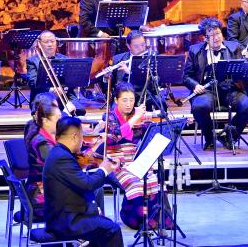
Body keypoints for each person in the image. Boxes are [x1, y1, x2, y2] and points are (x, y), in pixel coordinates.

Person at [101, 83, 174, 230]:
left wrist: (174, 123)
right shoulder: (109, 116)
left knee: (154, 179)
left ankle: (160, 218)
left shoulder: (139, 114)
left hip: (135, 158)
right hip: (115, 161)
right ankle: (135, 218)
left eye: (131, 100)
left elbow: (155, 122)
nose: (129, 104)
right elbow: (116, 135)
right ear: (116, 100)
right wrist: (135, 118)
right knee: (135, 183)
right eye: (124, 100)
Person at [43, 116, 123, 247]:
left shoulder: (59, 152)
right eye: (82, 136)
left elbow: (77, 186)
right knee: (112, 229)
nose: (83, 140)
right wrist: (103, 169)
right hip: (65, 222)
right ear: (74, 136)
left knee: (103, 225)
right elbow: (87, 184)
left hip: (67, 215)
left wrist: (92, 209)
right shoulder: (62, 158)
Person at [183, 17, 248, 150]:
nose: (216, 38)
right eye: (211, 35)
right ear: (205, 38)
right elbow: (186, 76)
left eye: (218, 33)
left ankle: (230, 136)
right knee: (199, 107)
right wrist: (195, 85)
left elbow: (243, 71)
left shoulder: (234, 47)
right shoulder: (195, 50)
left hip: (231, 90)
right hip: (207, 91)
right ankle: (209, 138)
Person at [25, 95, 61, 220]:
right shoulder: (41, 142)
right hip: (41, 197)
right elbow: (60, 165)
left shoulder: (38, 129)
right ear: (45, 118)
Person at [25, 30, 72, 106]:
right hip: (42, 96)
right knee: (50, 110)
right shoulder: (32, 61)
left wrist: (64, 89)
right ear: (39, 43)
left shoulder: (65, 59)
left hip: (65, 95)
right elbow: (32, 82)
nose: (50, 44)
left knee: (80, 110)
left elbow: (72, 80)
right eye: (46, 42)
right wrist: (52, 90)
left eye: (52, 41)